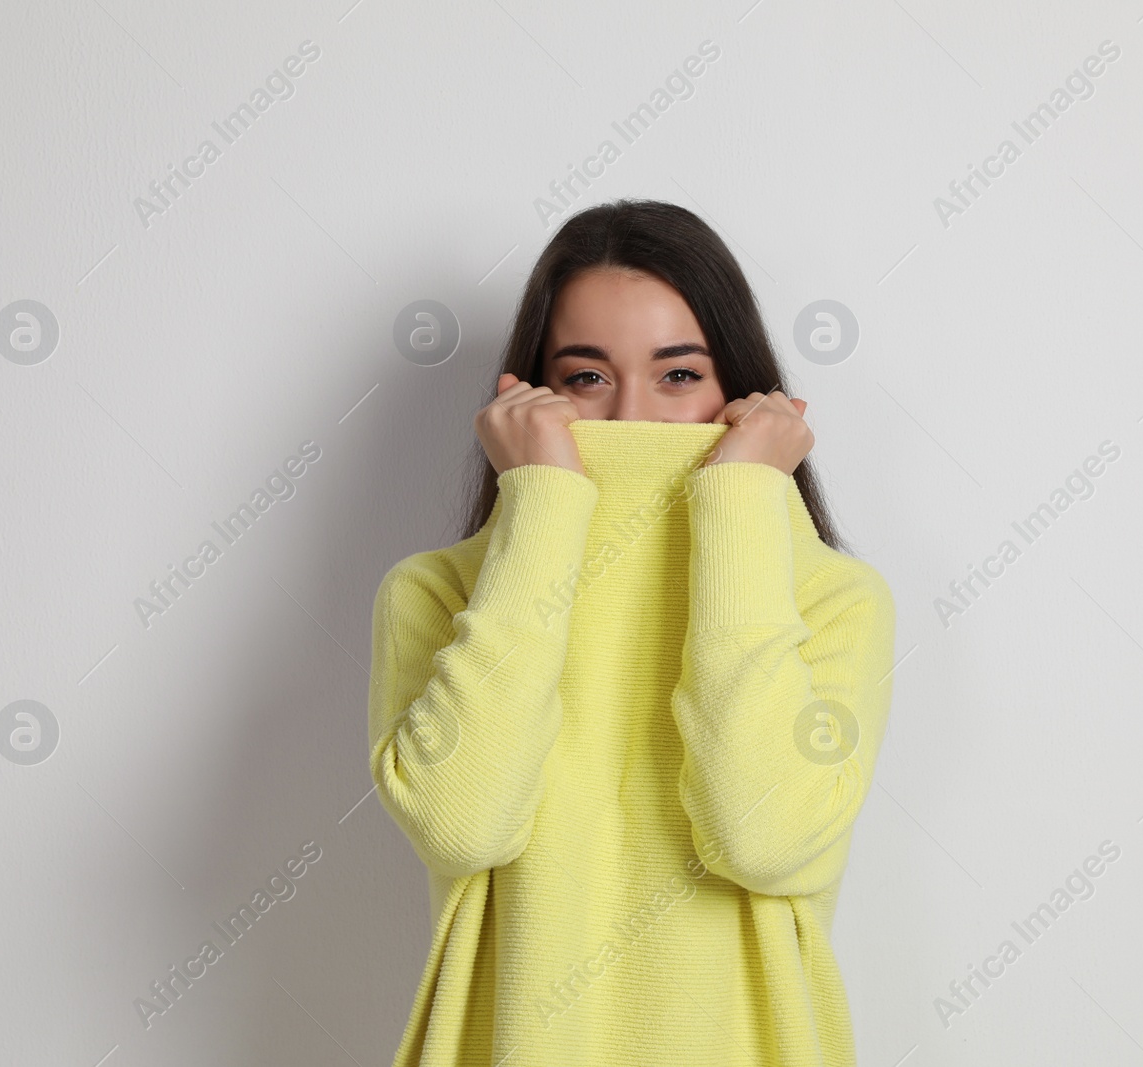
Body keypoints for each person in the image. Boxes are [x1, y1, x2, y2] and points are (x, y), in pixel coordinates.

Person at [368, 198, 895, 1066]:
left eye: (680, 375)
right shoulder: (438, 593)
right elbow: (468, 827)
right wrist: (541, 510)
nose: (631, 419)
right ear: (528, 399)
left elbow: (760, 838)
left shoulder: (835, 601)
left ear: (746, 394)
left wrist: (735, 508)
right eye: (586, 377)